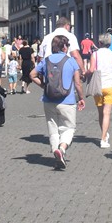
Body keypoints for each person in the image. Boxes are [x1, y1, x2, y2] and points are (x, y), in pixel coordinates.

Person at [31, 33, 85, 169]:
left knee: (53, 128)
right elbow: (78, 84)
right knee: (69, 128)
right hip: (67, 100)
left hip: (48, 99)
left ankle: (56, 152)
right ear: (65, 47)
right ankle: (61, 148)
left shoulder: (46, 60)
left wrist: (43, 86)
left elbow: (32, 75)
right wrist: (81, 98)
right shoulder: (71, 61)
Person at [90, 32, 112, 149]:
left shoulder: (95, 54)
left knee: (100, 113)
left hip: (98, 86)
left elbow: (91, 70)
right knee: (107, 113)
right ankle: (103, 139)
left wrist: (85, 73)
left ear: (99, 43)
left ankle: (104, 134)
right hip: (110, 85)